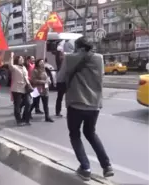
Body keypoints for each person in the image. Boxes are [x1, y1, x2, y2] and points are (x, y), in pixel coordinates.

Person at [65, 37, 113, 181]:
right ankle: (107, 166)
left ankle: (85, 168)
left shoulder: (69, 58)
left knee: (74, 135)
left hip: (76, 103)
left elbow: (60, 77)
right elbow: (101, 76)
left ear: (78, 47)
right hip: (94, 104)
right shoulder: (99, 58)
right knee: (91, 133)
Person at [9, 53, 32, 126]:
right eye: (20, 58)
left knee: (28, 103)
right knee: (17, 105)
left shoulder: (24, 67)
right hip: (17, 89)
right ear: (17, 60)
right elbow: (10, 65)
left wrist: (29, 85)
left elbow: (26, 77)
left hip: (25, 88)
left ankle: (26, 119)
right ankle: (18, 120)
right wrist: (11, 56)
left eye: (22, 58)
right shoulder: (14, 67)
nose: (22, 60)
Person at [55, 51, 66, 117]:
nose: (62, 56)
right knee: (60, 97)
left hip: (64, 81)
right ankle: (58, 112)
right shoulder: (60, 62)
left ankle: (58, 112)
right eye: (61, 55)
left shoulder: (64, 61)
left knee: (60, 97)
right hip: (61, 81)